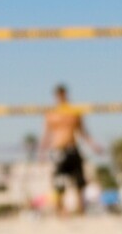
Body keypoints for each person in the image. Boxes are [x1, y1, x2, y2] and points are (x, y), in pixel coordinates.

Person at [39, 84, 103, 217]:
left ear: (66, 94)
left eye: (63, 94)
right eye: (59, 94)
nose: (61, 97)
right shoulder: (51, 113)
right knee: (59, 184)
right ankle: (60, 212)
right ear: (55, 96)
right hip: (58, 150)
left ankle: (81, 211)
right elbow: (46, 134)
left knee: (79, 183)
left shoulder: (74, 111)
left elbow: (83, 132)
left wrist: (94, 145)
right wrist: (42, 152)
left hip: (73, 149)